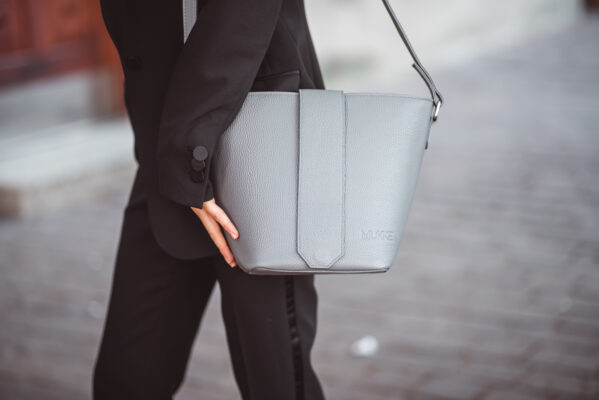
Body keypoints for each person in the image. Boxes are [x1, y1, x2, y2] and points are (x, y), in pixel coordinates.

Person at [92, 0, 327, 399]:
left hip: (257, 148)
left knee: (277, 385)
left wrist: (190, 155)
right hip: (167, 158)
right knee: (126, 378)